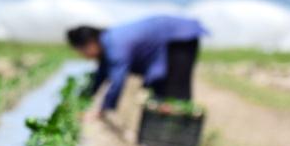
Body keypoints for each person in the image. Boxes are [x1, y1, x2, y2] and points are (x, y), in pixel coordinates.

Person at [66, 15, 207, 117]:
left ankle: (178, 142)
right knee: (161, 93)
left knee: (176, 92)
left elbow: (117, 81)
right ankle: (160, 140)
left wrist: (104, 109)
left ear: (91, 44)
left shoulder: (115, 45)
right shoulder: (107, 43)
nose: (83, 56)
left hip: (179, 38)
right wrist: (83, 101)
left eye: (81, 51)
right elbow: (101, 75)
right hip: (170, 39)